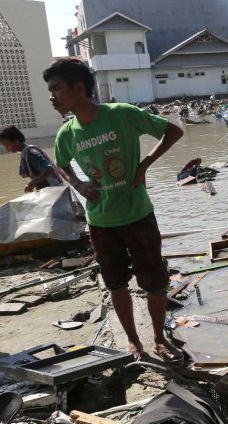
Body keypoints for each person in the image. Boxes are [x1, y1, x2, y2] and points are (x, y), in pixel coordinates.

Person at [45, 59, 184, 362]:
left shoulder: (122, 114)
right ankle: (134, 342)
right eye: (50, 90)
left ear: (79, 88)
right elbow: (63, 165)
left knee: (155, 282)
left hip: (138, 215)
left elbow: (173, 132)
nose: (51, 96)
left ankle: (160, 338)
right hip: (101, 222)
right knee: (116, 283)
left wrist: (145, 164)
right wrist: (80, 187)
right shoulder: (66, 134)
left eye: (56, 89)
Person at [0, 125, 62, 192]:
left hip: (55, 190)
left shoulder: (31, 152)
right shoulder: (24, 153)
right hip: (47, 191)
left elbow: (50, 169)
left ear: (16, 141)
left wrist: (32, 183)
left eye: (6, 144)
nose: (5, 147)